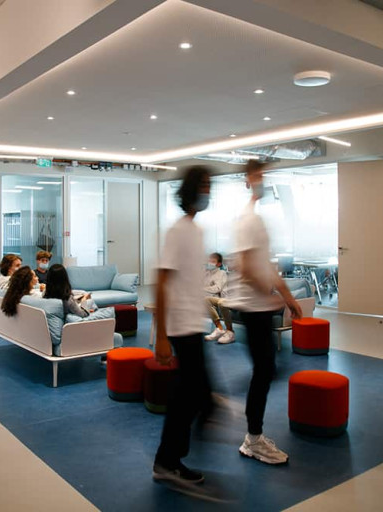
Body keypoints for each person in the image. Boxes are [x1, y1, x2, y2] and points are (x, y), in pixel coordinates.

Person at [227, 160, 302, 465]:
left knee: (266, 370)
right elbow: (246, 267)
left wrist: (286, 296)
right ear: (247, 180)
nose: (261, 180)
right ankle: (253, 439)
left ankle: (253, 436)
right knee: (264, 372)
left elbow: (267, 265)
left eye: (263, 175)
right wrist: (270, 297)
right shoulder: (247, 219)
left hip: (260, 306)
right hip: (252, 308)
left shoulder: (256, 219)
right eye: (257, 175)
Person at [153, 165, 213, 487]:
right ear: (190, 189)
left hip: (194, 324)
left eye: (209, 185)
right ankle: (168, 461)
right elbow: (161, 282)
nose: (208, 191)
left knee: (191, 394)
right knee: (189, 396)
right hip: (180, 326)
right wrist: (162, 336)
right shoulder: (177, 231)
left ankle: (170, 458)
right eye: (203, 185)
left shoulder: (197, 230)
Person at [203, 252, 235, 344]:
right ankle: (219, 329)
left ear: (219, 264)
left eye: (213, 261)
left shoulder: (222, 273)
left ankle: (230, 332)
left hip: (223, 298)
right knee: (205, 300)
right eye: (209, 260)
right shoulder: (207, 273)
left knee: (220, 302)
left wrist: (203, 289)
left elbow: (217, 288)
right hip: (212, 297)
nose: (209, 263)